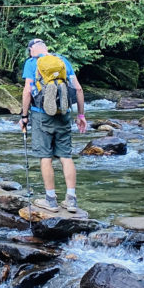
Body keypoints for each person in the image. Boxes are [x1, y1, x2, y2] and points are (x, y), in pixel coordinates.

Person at [18, 38, 87, 212]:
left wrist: (24, 116)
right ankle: (71, 200)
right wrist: (80, 115)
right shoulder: (62, 60)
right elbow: (78, 89)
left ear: (32, 50)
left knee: (46, 157)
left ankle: (51, 200)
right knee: (66, 156)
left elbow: (27, 91)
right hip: (64, 114)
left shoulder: (32, 63)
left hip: (41, 115)